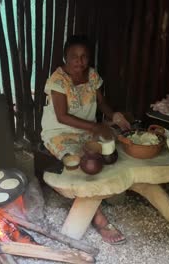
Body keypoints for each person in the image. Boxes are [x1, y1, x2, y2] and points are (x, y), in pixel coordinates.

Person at [41, 35, 131, 244]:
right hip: (59, 131)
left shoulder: (92, 75)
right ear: (65, 57)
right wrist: (96, 126)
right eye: (74, 56)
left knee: (112, 151)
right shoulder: (57, 80)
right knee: (84, 163)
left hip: (86, 130)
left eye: (84, 57)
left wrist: (114, 116)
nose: (79, 61)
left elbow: (101, 103)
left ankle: (107, 193)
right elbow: (62, 116)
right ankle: (98, 218)